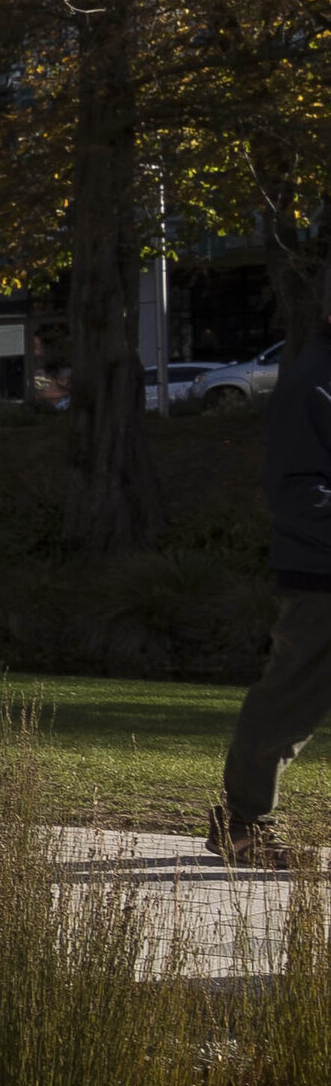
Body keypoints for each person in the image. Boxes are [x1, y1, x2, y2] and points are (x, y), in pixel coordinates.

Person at [215, 317, 331, 865]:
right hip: (323, 575)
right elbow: (298, 492)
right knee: (291, 700)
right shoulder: (313, 381)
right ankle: (243, 826)